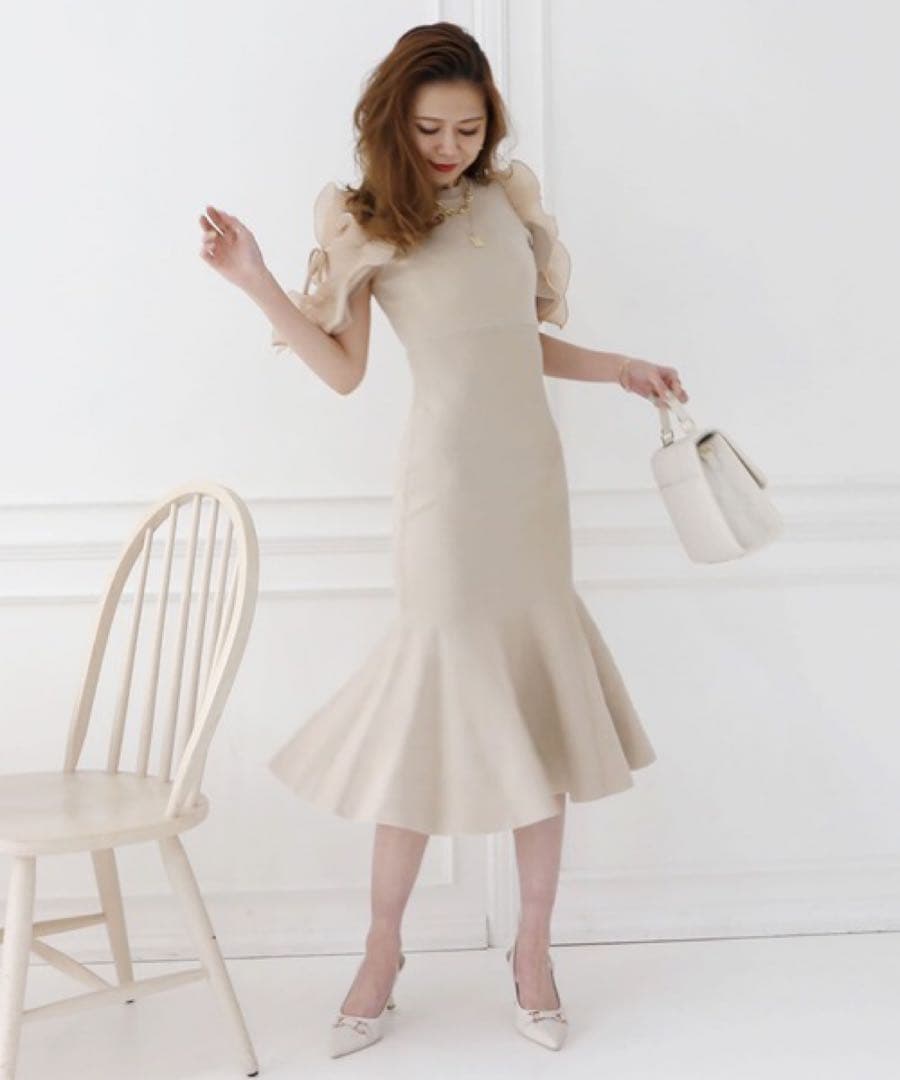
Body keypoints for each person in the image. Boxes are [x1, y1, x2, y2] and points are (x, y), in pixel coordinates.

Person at [199, 19, 687, 1060]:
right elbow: (343, 371)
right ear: (394, 123)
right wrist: (252, 279)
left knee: (541, 717)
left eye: (468, 128)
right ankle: (381, 955)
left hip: (531, 491)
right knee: (423, 732)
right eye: (430, 130)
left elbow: (517, 340)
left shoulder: (506, 205)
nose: (450, 148)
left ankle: (532, 954)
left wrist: (621, 367)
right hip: (446, 497)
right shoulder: (367, 222)